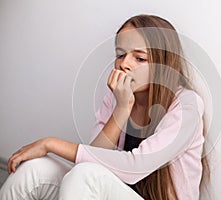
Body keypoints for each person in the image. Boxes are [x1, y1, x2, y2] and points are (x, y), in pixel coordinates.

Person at [0, 14, 210, 200]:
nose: (124, 64)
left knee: (86, 177)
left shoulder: (186, 105)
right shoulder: (117, 96)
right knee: (35, 170)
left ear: (163, 64)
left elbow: (134, 167)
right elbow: (93, 159)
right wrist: (121, 109)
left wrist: (50, 143)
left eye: (139, 58)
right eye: (120, 55)